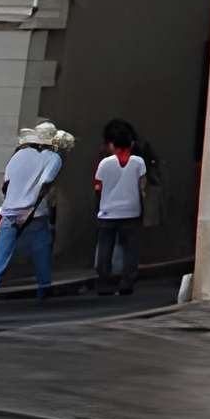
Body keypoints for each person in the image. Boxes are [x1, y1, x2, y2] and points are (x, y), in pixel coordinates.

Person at [0, 121, 72, 304]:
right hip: (34, 213)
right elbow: (46, 182)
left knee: (0, 255)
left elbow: (6, 184)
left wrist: (13, 201)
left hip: (9, 211)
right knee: (42, 250)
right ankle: (44, 288)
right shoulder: (53, 158)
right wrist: (33, 203)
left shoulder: (18, 155)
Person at [90, 119, 148, 297]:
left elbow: (97, 188)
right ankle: (127, 281)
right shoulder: (138, 162)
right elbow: (143, 186)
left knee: (105, 246)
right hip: (131, 211)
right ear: (130, 143)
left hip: (107, 211)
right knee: (131, 248)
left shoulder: (104, 164)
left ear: (111, 144)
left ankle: (103, 282)